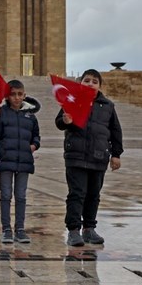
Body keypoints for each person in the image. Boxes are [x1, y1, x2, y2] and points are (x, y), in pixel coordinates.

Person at [55, 69, 124, 247]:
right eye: (87, 80)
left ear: (100, 86)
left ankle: (89, 229)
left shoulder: (107, 105)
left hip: (98, 157)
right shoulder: (71, 101)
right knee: (77, 194)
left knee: (93, 195)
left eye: (94, 81)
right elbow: (59, 122)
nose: (90, 84)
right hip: (76, 156)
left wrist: (116, 154)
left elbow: (116, 131)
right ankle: (73, 231)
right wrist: (65, 121)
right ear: (80, 83)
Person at [0, 79, 41, 244]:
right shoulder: (1, 112)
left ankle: (20, 229)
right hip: (6, 159)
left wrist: (34, 145)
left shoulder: (30, 116)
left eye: (20, 94)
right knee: (5, 195)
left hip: (24, 160)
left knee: (21, 196)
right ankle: (6, 229)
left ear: (24, 95)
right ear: (7, 96)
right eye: (13, 94)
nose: (17, 98)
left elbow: (36, 134)